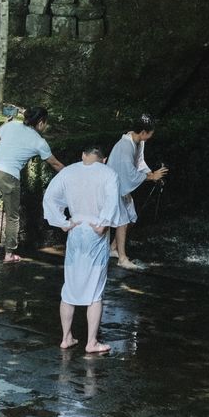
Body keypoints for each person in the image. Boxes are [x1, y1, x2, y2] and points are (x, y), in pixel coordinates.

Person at [43, 146, 124, 354]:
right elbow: (113, 200)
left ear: (83, 156)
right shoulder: (108, 173)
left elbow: (50, 197)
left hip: (76, 229)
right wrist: (104, 223)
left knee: (70, 286)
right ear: (103, 160)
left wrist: (61, 221)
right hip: (96, 232)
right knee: (95, 289)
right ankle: (91, 342)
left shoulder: (69, 172)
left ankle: (66, 337)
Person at [0, 106, 65, 263]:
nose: (45, 126)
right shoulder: (40, 142)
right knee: (12, 217)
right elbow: (55, 164)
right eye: (45, 123)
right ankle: (9, 254)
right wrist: (75, 174)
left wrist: (5, 125)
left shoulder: (11, 125)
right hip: (9, 176)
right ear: (40, 122)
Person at [107, 114, 169, 270]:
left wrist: (152, 175)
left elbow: (139, 163)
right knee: (122, 221)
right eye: (150, 132)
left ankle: (112, 248)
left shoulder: (139, 142)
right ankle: (122, 258)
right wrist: (151, 176)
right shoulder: (125, 146)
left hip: (121, 185)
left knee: (132, 218)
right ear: (143, 132)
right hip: (112, 186)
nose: (151, 135)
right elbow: (128, 172)